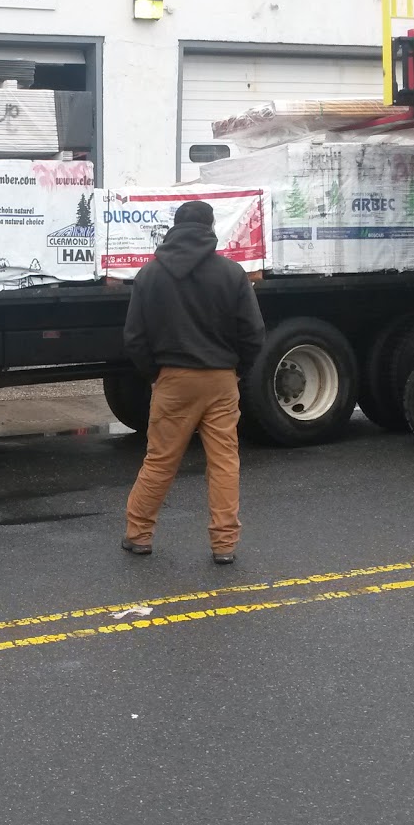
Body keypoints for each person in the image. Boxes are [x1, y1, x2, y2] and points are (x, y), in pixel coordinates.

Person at [121, 200, 267, 565]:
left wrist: (154, 374)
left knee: (160, 460)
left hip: (173, 380)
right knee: (223, 462)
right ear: (210, 227)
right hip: (220, 380)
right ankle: (224, 544)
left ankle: (138, 534)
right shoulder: (232, 273)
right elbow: (253, 333)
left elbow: (135, 338)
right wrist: (237, 370)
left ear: (175, 227)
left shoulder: (150, 275)